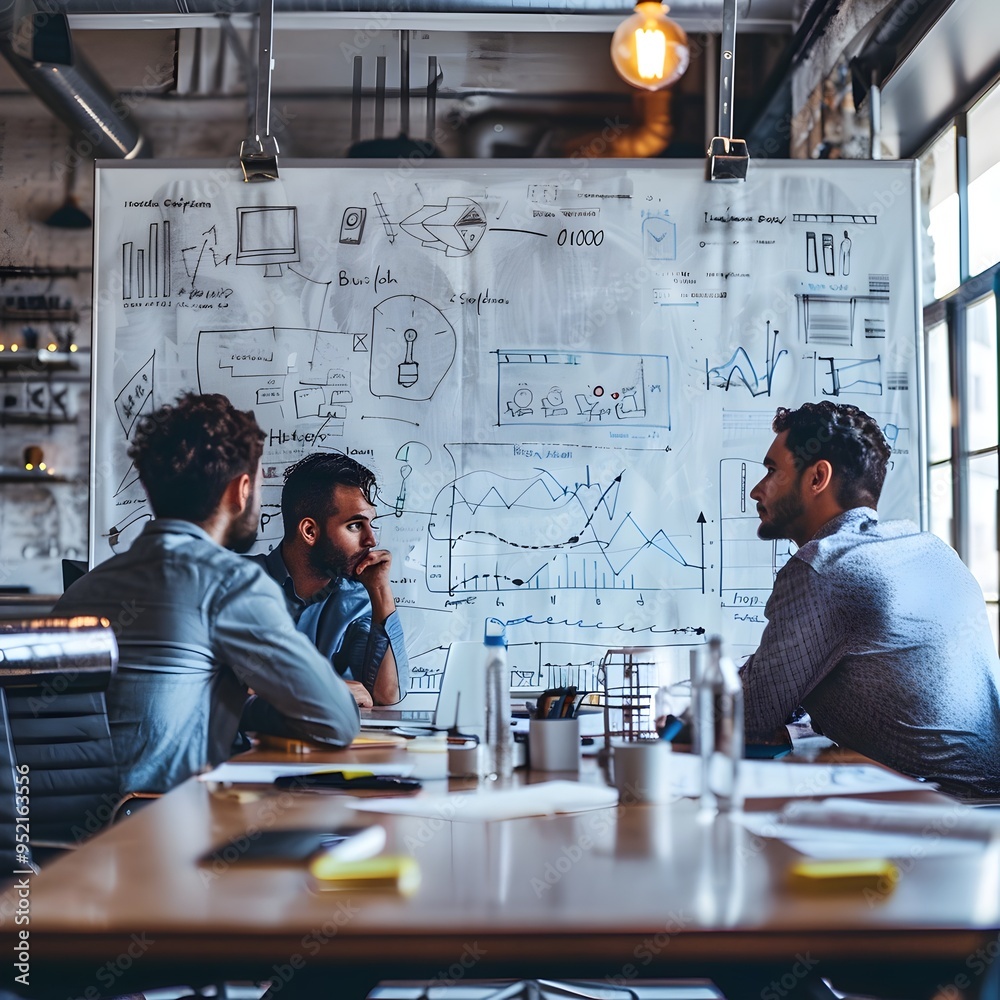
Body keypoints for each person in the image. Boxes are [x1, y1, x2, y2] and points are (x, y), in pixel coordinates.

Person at [55, 393, 360, 794]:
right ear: (241, 489)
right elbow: (337, 720)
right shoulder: (231, 583)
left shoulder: (82, 590)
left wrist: (247, 702)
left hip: (69, 841)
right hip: (165, 832)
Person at [740, 400, 1000, 799]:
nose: (758, 489)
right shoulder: (933, 549)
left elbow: (750, 720)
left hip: (931, 817)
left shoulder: (822, 565)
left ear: (817, 478)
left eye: (772, 471)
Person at [249, 452, 408, 707]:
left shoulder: (356, 599)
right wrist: (325, 687)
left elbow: (386, 694)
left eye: (371, 524)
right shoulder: (239, 583)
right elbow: (225, 681)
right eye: (355, 525)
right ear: (310, 531)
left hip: (337, 745)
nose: (372, 540)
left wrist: (379, 589)